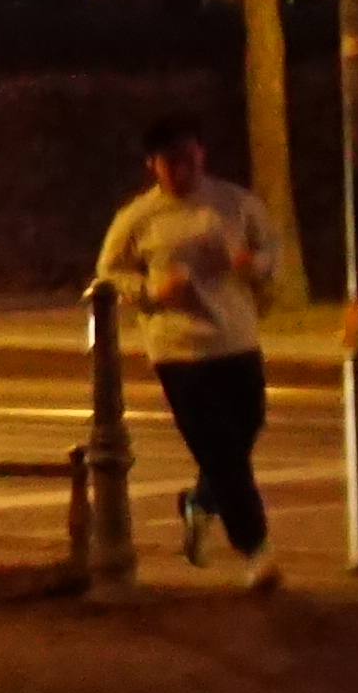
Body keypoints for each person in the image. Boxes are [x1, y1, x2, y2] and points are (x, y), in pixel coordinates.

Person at [95, 112, 281, 590]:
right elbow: (110, 273)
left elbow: (270, 253)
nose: (182, 169)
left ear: (202, 154)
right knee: (219, 449)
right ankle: (256, 551)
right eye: (170, 161)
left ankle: (200, 502)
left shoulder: (234, 203)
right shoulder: (138, 218)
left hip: (237, 340)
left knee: (245, 429)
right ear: (153, 165)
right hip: (178, 350)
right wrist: (155, 291)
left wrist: (251, 264)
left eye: (189, 157)